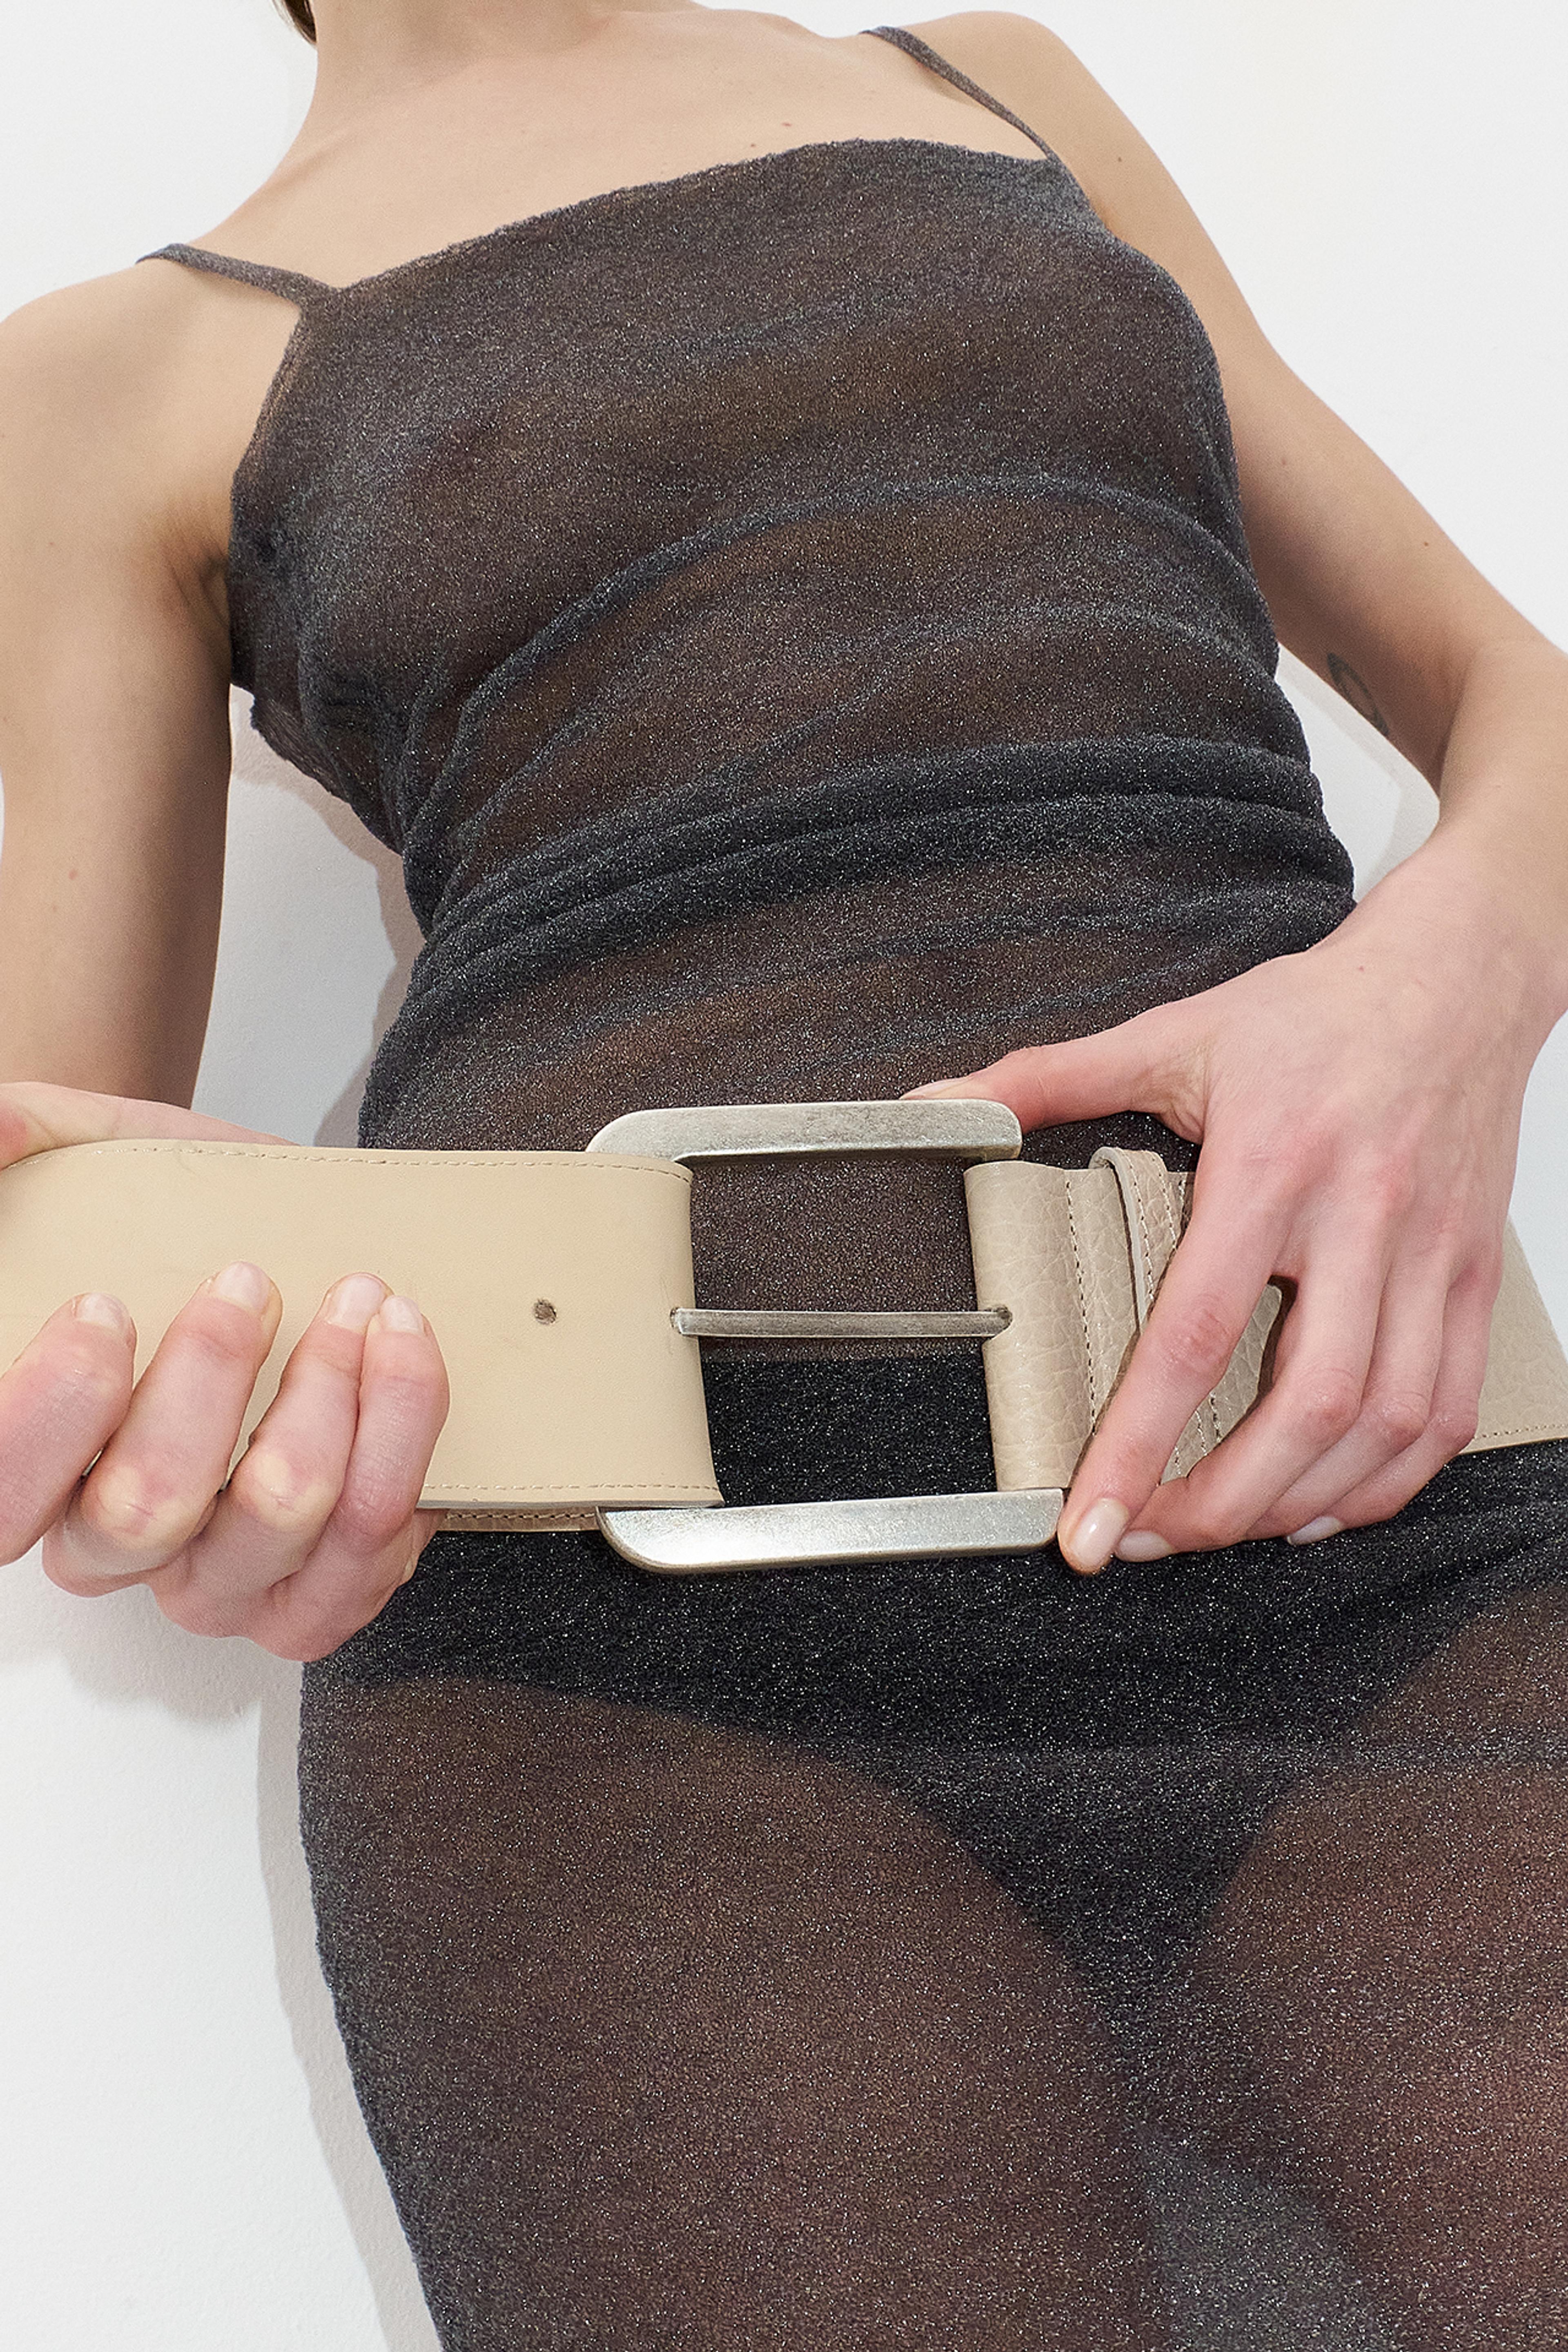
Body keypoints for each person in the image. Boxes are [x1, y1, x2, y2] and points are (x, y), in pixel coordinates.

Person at [2, 2, 1566, 2343]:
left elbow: (1519, 692)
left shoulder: (996, 83)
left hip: (1379, 1499)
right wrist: (159, 1430)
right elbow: (51, 1203)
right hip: (622, 1696)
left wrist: (1447, 982)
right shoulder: (100, 377)